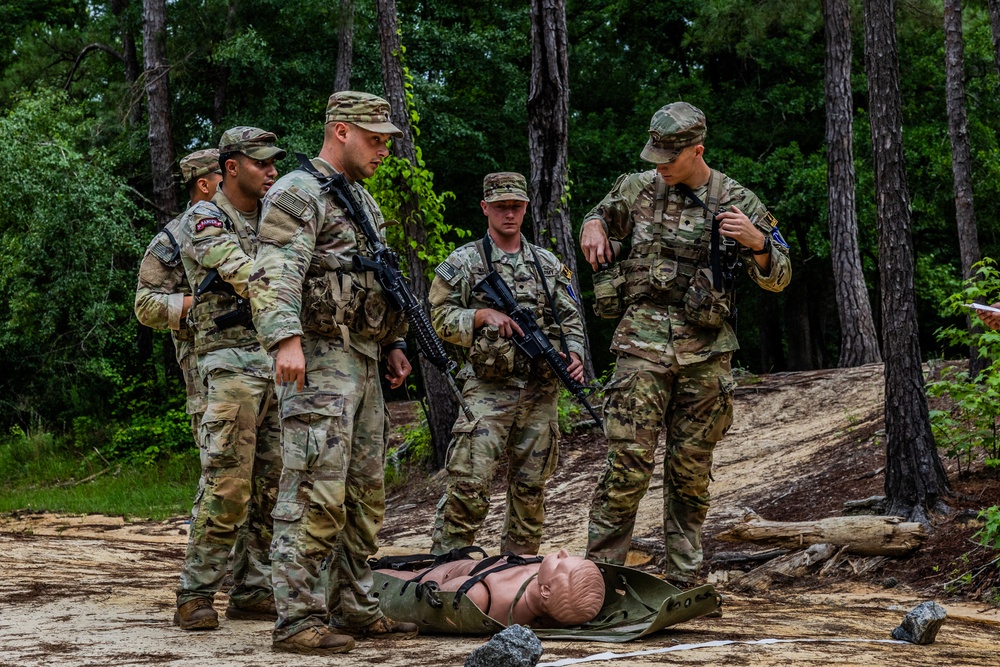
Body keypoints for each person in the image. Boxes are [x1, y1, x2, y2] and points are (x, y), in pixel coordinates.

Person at [579, 102, 792, 585]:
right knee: (626, 464)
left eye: (669, 157)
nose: (660, 164)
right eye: (654, 154)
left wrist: (758, 244)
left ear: (698, 150)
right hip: (641, 344)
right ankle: (600, 579)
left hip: (706, 352)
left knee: (690, 472)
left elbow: (780, 277)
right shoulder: (635, 188)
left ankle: (682, 578)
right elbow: (597, 216)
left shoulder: (737, 200)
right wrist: (592, 224)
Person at [249, 91, 418, 655]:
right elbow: (275, 270)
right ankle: (297, 618)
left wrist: (392, 342)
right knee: (314, 486)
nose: (384, 150)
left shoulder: (360, 200)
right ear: (341, 131)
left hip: (363, 359)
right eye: (375, 139)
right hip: (318, 360)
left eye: (387, 141)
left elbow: (375, 278)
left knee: (364, 492)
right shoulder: (298, 191)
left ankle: (355, 604)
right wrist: (285, 341)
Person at [428, 172, 586, 556]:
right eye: (500, 207)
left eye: (516, 206)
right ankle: (441, 568)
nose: (509, 214)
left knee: (531, 488)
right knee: (469, 481)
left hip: (540, 390)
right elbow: (437, 316)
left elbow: (570, 318)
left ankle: (517, 572)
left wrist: (576, 354)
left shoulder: (549, 264)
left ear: (526, 208)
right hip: (488, 389)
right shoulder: (464, 262)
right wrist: (480, 316)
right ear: (485, 208)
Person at [172, 127, 286, 630]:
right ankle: (195, 593)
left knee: (271, 485)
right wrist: (289, 284)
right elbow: (240, 270)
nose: (273, 172)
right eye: (262, 163)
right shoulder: (204, 218)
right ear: (232, 166)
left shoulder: (275, 218)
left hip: (276, 360)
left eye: (274, 164)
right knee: (228, 483)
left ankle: (253, 587)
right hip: (230, 362)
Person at [134, 149, 222, 446]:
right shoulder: (173, 237)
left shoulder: (247, 226)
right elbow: (145, 305)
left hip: (255, 361)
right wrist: (198, 306)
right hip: (202, 360)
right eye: (223, 177)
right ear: (204, 185)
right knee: (219, 456)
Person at [375, 549, 605, 628]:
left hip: (435, 576)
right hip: (464, 565)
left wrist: (430, 581)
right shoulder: (551, 601)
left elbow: (434, 593)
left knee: (371, 576)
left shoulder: (484, 597)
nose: (563, 552)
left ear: (546, 590)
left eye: (561, 562)